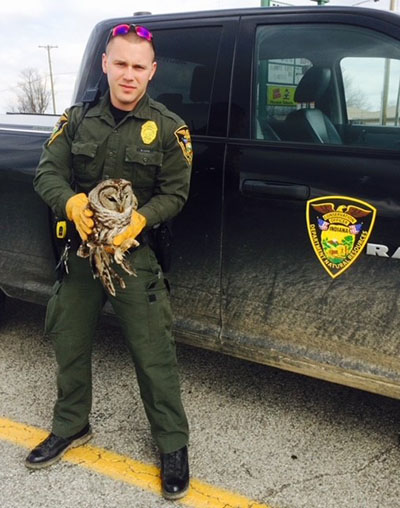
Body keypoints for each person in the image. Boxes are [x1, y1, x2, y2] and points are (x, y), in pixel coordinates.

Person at [26, 23, 192, 501]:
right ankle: (71, 425)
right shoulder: (76, 120)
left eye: (139, 67)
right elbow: (47, 172)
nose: (128, 74)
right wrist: (72, 204)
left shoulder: (167, 127)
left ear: (152, 71)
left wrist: (142, 220)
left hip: (132, 257)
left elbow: (176, 192)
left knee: (152, 351)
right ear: (105, 63)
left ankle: (173, 446)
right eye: (120, 63)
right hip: (82, 254)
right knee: (69, 341)